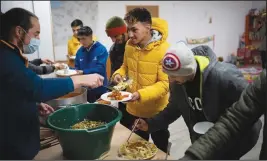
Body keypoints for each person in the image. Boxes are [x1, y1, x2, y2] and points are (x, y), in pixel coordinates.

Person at [0, 8, 104, 159]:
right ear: (19, 31)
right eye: (36, 33)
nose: (38, 38)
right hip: (12, 141)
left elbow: (16, 89)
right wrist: (79, 79)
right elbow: (38, 87)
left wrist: (34, 104)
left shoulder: (11, 53)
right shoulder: (5, 57)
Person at [135, 42, 262, 159]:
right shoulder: (177, 81)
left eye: (173, 76)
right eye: (168, 75)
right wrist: (150, 124)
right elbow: (174, 108)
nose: (171, 80)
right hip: (203, 139)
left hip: (230, 138)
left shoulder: (224, 76)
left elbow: (251, 106)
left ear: (188, 71)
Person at [111, 8, 170, 153]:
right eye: (128, 30)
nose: (130, 35)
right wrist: (118, 74)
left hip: (156, 113)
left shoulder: (165, 50)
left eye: (134, 30)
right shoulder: (129, 46)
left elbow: (165, 84)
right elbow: (125, 67)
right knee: (138, 148)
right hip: (134, 109)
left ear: (148, 27)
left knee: (160, 150)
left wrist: (141, 94)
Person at [179, 69, 266, 160]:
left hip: (240, 139)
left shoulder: (224, 76)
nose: (171, 80)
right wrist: (193, 156)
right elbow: (234, 120)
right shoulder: (264, 81)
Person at [74, 26, 108, 103]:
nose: (81, 42)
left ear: (91, 37)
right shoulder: (79, 52)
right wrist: (66, 68)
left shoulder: (101, 49)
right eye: (80, 39)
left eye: (84, 38)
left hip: (100, 89)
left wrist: (83, 72)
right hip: (85, 91)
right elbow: (76, 69)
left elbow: (101, 69)